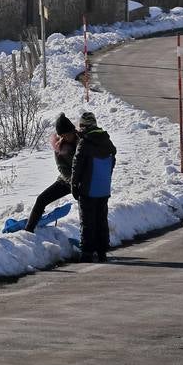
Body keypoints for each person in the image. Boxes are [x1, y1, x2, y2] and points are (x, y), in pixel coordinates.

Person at [70, 111, 117, 262]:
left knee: (87, 221)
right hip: (103, 188)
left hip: (88, 188)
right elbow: (112, 161)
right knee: (101, 220)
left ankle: (87, 253)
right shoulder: (107, 141)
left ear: (83, 126)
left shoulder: (84, 143)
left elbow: (77, 166)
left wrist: (74, 184)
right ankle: (102, 251)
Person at [26, 114, 80, 233]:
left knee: (86, 206)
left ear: (73, 131)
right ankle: (29, 231)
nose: (66, 137)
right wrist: (72, 182)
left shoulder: (82, 142)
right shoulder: (59, 147)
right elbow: (62, 168)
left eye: (68, 134)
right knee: (41, 199)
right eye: (63, 136)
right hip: (67, 181)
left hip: (84, 181)